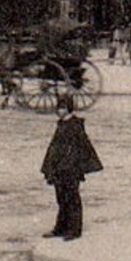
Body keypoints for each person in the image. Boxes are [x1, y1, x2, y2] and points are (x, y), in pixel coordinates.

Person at [40, 95, 102, 240]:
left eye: (62, 108)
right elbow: (54, 149)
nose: (59, 111)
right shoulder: (62, 124)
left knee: (72, 199)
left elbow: (79, 150)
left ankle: (74, 230)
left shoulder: (74, 126)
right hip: (60, 169)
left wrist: (69, 166)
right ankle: (60, 228)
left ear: (68, 109)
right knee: (61, 199)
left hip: (70, 170)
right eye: (59, 108)